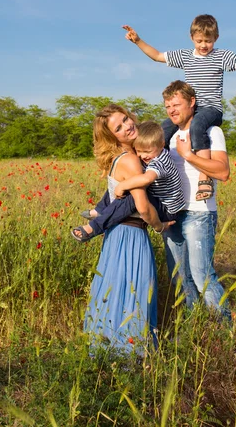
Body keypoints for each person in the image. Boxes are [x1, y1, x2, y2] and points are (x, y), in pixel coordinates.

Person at [123, 15, 236, 202]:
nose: (203, 45)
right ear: (192, 38)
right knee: (162, 130)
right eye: (199, 41)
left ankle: (205, 175)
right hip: (189, 109)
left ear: (215, 39)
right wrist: (138, 41)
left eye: (208, 41)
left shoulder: (220, 56)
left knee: (197, 126)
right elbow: (157, 56)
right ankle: (152, 169)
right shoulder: (185, 56)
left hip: (210, 110)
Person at [82, 104, 168, 353]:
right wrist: (160, 226)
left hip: (117, 236)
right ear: (113, 137)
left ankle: (108, 353)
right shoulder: (131, 160)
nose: (127, 126)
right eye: (118, 128)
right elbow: (142, 207)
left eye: (125, 119)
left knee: (116, 292)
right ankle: (129, 355)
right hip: (131, 235)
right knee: (134, 294)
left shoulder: (124, 157)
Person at [160, 80, 231, 319]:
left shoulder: (212, 131)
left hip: (199, 212)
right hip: (171, 214)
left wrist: (188, 155)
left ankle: (225, 330)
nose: (172, 110)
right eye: (168, 105)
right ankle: (193, 326)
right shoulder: (166, 136)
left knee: (202, 276)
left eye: (176, 104)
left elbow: (222, 172)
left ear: (192, 103)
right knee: (180, 277)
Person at [71, 120, 184, 242]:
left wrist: (123, 185)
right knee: (129, 184)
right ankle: (99, 209)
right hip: (159, 198)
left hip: (167, 209)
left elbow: (147, 178)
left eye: (147, 151)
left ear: (162, 145)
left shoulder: (160, 162)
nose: (142, 156)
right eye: (138, 151)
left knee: (131, 194)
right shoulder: (154, 154)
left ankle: (94, 227)